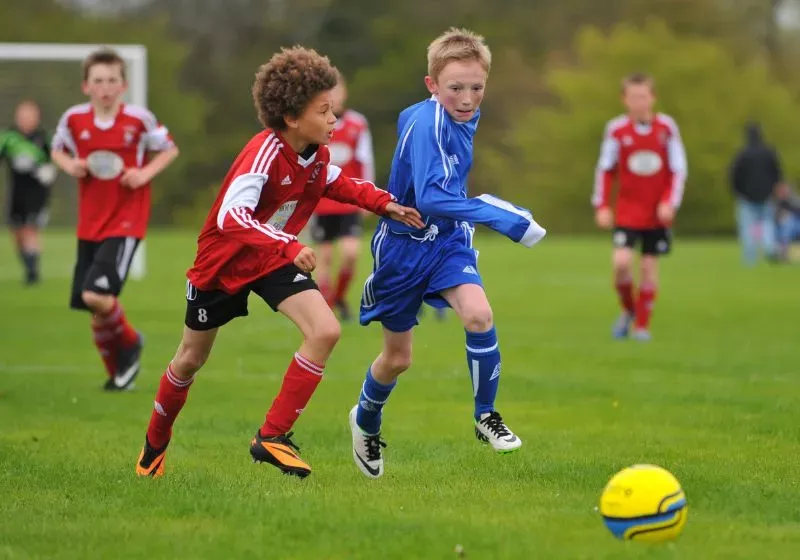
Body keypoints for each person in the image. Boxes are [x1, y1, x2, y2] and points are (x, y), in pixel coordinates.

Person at [134, 47, 422, 479]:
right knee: (190, 358)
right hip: (223, 264)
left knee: (324, 330)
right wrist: (288, 246)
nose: (334, 120)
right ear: (291, 117)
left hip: (269, 258)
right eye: (324, 111)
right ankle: (154, 447)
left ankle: (272, 437)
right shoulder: (264, 153)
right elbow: (232, 217)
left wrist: (386, 205)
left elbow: (338, 183)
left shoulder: (316, 154)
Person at [348, 28, 546, 479]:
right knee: (398, 359)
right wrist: (505, 217)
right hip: (402, 246)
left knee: (478, 315)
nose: (467, 97)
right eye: (455, 87)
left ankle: (485, 416)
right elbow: (434, 197)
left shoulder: (454, 116)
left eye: (477, 87)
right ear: (432, 85)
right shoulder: (429, 122)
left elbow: (438, 190)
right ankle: (365, 419)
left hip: (447, 239)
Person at [51, 48, 180, 391]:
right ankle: (119, 373)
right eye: (98, 81)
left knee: (96, 296)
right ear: (86, 86)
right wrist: (71, 166)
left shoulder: (139, 119)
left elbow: (169, 149)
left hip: (126, 221)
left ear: (123, 85)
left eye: (112, 80)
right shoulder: (74, 120)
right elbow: (57, 149)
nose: (105, 87)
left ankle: (132, 341)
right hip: (90, 223)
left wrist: (144, 173)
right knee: (92, 304)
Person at [592, 72, 687, 342]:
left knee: (647, 266)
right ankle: (630, 311)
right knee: (621, 263)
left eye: (643, 96)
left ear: (653, 98)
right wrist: (602, 205)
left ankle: (642, 326)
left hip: (656, 212)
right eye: (633, 97)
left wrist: (670, 202)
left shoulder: (666, 128)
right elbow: (605, 169)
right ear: (624, 100)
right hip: (627, 211)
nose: (639, 102)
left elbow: (677, 169)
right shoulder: (616, 130)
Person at [311, 73, 374, 321]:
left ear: (345, 93)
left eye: (337, 91)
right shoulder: (315, 122)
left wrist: (368, 194)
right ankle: (325, 306)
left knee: (350, 253)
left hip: (348, 200)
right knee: (323, 257)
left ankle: (338, 296)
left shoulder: (358, 124)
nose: (334, 97)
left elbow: (365, 160)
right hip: (320, 200)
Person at [0, 100, 57, 285]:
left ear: (36, 118)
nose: (25, 120)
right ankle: (28, 266)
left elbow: (58, 159)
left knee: (30, 229)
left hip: (38, 193)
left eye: (29, 116)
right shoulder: (8, 138)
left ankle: (33, 273)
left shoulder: (44, 138)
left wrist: (50, 170)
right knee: (17, 232)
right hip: (16, 192)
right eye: (22, 116)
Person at [729, 122, 783, 265]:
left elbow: (734, 176)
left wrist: (738, 192)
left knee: (747, 228)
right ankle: (770, 249)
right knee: (767, 224)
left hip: (746, 197)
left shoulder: (742, 155)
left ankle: (750, 258)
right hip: (766, 196)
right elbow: (777, 173)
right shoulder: (769, 153)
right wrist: (774, 189)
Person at [775, 182, 800, 261]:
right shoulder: (777, 202)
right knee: (787, 225)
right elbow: (774, 217)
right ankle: (783, 254)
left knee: (789, 221)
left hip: (796, 224)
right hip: (782, 227)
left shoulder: (793, 199)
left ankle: (784, 254)